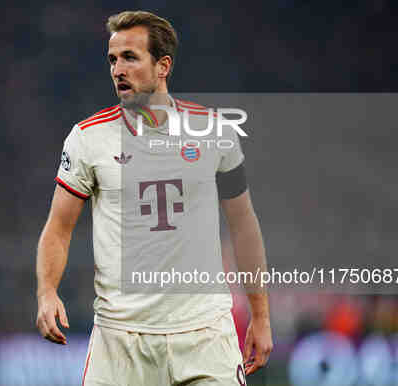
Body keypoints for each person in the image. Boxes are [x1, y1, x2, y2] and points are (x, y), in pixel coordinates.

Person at [36, 10, 272, 385]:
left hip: (204, 335)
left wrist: (260, 316)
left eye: (130, 57)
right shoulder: (87, 139)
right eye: (113, 59)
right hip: (121, 341)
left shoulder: (215, 133)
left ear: (163, 66)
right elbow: (58, 228)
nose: (118, 69)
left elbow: (243, 225)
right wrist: (47, 292)